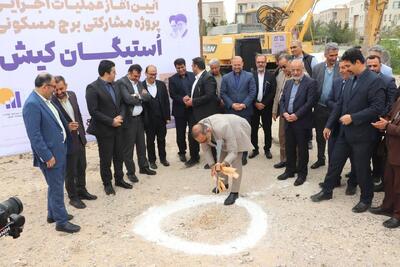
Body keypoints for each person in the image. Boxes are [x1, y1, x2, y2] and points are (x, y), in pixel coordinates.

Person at [311, 48, 385, 213]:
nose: (345, 69)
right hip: (345, 132)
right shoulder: (352, 79)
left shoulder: (375, 81)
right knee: (335, 162)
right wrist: (329, 125)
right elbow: (340, 105)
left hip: (363, 135)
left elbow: (377, 108)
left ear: (358, 63)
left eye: (348, 65)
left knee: (362, 168)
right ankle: (327, 191)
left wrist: (353, 117)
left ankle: (366, 199)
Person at [23, 73, 80, 233]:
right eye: (53, 88)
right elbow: (34, 135)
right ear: (45, 87)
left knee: (55, 184)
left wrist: (67, 128)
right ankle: (61, 222)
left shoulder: (46, 101)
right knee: (56, 187)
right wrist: (47, 156)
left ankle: (52, 214)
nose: (55, 91)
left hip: (59, 151)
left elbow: (54, 123)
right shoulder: (32, 104)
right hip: (51, 156)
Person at [86, 60, 132, 196]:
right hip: (104, 130)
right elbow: (93, 111)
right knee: (106, 159)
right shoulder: (92, 88)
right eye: (113, 71)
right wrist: (111, 121)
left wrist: (121, 117)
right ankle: (107, 183)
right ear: (106, 73)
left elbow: (123, 103)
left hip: (119, 127)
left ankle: (119, 179)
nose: (115, 74)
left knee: (119, 156)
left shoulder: (116, 85)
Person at [52, 76, 97, 210]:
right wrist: (67, 126)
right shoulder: (52, 102)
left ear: (66, 86)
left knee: (82, 166)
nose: (59, 92)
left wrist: (83, 135)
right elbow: (54, 124)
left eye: (61, 88)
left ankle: (82, 190)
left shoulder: (72, 95)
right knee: (70, 171)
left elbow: (77, 115)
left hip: (79, 138)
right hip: (66, 141)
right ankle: (73, 197)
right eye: (55, 89)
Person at [192, 114, 253, 205]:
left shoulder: (222, 127)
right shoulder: (200, 128)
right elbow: (206, 149)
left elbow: (233, 151)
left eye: (205, 140)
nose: (204, 143)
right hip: (222, 133)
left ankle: (235, 192)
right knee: (220, 159)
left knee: (235, 161)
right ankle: (224, 184)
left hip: (239, 128)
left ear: (208, 130)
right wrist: (213, 165)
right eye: (201, 141)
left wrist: (224, 164)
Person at [277, 59, 317, 186]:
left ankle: (302, 174)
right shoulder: (288, 83)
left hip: (302, 121)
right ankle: (290, 170)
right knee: (289, 147)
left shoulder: (311, 83)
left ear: (303, 69)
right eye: (293, 69)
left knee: (302, 149)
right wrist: (284, 113)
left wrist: (296, 115)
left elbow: (310, 102)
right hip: (288, 120)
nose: (295, 72)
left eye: (297, 69)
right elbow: (282, 100)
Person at [116, 64, 156, 183]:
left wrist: (136, 96)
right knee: (128, 149)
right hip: (129, 120)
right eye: (134, 76)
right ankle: (131, 172)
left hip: (139, 119)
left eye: (138, 76)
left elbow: (148, 97)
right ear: (129, 73)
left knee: (141, 145)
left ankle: (143, 167)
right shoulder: (122, 82)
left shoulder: (138, 83)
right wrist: (140, 96)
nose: (137, 78)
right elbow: (127, 99)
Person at [366, 55, 398, 191]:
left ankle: (377, 174)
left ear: (380, 66)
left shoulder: (388, 81)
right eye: (369, 66)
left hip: (379, 122)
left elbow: (392, 103)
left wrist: (381, 118)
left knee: (376, 150)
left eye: (375, 65)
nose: (372, 68)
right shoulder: (362, 80)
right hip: (362, 121)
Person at [369, 98, 400, 228]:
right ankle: (387, 207)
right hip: (391, 149)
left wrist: (387, 126)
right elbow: (391, 115)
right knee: (388, 180)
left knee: (399, 185)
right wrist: (384, 122)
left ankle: (398, 215)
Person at [220, 56, 256, 165]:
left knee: (244, 134)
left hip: (245, 110)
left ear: (242, 64)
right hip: (231, 111)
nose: (237, 67)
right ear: (231, 64)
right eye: (234, 65)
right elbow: (223, 93)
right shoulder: (225, 77)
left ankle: (244, 155)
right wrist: (232, 104)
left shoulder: (249, 76)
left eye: (238, 64)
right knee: (231, 134)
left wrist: (244, 104)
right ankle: (232, 154)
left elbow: (252, 92)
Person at [311, 43, 340, 169]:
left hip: (335, 109)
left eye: (336, 55)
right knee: (319, 136)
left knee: (335, 137)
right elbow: (312, 87)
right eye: (331, 55)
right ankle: (320, 159)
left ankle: (333, 164)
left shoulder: (342, 68)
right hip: (320, 108)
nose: (334, 58)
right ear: (325, 55)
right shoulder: (317, 68)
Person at [142, 65, 171, 169]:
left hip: (161, 118)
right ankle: (152, 160)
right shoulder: (141, 86)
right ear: (146, 74)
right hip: (148, 120)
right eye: (151, 74)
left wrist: (167, 117)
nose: (153, 76)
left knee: (161, 139)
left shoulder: (161, 85)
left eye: (155, 74)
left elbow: (166, 102)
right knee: (150, 142)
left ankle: (163, 158)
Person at [168, 58, 196, 165]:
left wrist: (191, 99)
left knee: (193, 131)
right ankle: (182, 152)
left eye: (182, 67)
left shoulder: (193, 76)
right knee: (180, 133)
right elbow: (172, 94)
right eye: (178, 68)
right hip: (179, 110)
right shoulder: (172, 79)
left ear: (185, 66)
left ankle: (194, 153)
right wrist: (182, 99)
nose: (181, 69)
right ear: (176, 68)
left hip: (192, 109)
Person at [249, 54, 277, 160]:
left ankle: (267, 149)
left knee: (267, 129)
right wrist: (255, 103)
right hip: (254, 106)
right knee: (253, 129)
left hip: (266, 107)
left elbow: (272, 92)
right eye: (258, 62)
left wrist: (264, 103)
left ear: (266, 63)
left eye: (262, 62)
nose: (260, 64)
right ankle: (255, 149)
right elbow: (249, 91)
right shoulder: (251, 75)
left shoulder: (271, 76)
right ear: (256, 63)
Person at [272, 54, 292, 169]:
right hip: (282, 111)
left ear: (290, 63)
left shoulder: (300, 75)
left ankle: (295, 161)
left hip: (295, 113)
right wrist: (275, 110)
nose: (283, 69)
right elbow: (277, 94)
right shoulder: (280, 74)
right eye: (281, 67)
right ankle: (284, 159)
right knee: (282, 136)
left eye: (284, 67)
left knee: (294, 138)